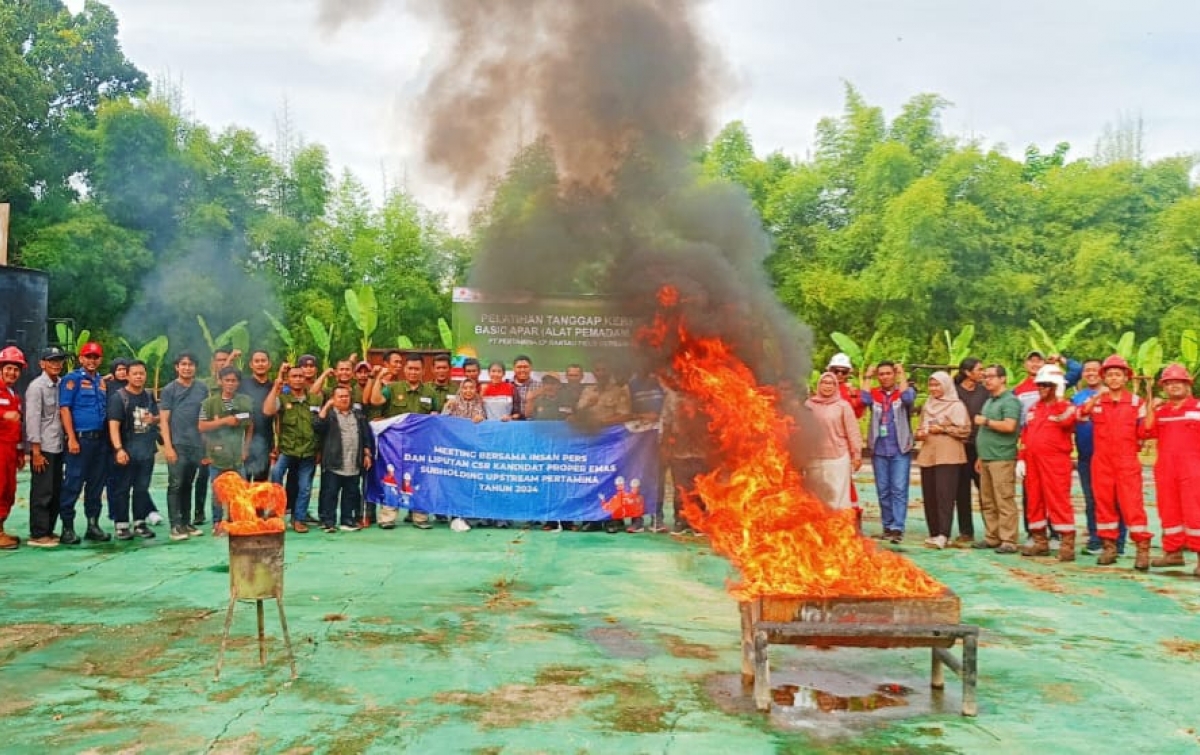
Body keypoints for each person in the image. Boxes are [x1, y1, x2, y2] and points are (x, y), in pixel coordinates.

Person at [1077, 354, 1153, 569]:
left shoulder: (1137, 403)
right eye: (1109, 375)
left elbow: (1146, 431)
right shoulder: (1098, 401)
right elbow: (1081, 414)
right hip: (1101, 461)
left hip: (1127, 461)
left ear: (1126, 377)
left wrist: (1151, 407)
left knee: (1132, 506)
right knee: (1104, 505)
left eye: (1117, 375)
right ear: (1104, 379)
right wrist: (1095, 398)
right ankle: (1108, 546)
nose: (1113, 379)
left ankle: (1142, 549)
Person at [1141, 364, 1200, 575]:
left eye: (1178, 382)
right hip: (1166, 468)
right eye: (1168, 383)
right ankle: (1173, 552)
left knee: (1196, 512)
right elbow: (1145, 431)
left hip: (1193, 468)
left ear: (1187, 384)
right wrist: (1151, 406)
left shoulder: (1198, 408)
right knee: (1169, 510)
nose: (1173, 386)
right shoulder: (1162, 412)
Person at [1017, 366, 1077, 560]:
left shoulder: (1065, 407)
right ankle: (1040, 541)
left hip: (1055, 462)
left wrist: (1059, 399)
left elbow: (1066, 422)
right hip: (1033, 462)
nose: (1040, 388)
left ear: (1056, 386)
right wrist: (1022, 459)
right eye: (1039, 385)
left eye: (1045, 385)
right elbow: (1026, 435)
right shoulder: (1035, 408)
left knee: (1058, 501)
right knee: (1034, 500)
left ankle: (1067, 543)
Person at [58, 341, 112, 545]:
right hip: (80, 441)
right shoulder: (72, 380)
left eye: (95, 357)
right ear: (81, 359)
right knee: (73, 483)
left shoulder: (101, 381)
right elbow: (65, 409)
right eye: (88, 357)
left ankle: (92, 525)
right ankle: (67, 528)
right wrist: (71, 437)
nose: (92, 360)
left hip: (100, 442)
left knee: (96, 485)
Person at [1071, 358, 1126, 556]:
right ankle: (1096, 538)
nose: (1091, 373)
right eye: (1087, 370)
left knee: (1117, 499)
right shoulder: (1078, 397)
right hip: (1087, 456)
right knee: (1091, 500)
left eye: (1095, 369)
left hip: (1113, 456)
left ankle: (1118, 542)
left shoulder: (1117, 394)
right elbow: (1076, 416)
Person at [914, 372, 971, 549]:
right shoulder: (928, 404)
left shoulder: (956, 406)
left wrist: (944, 429)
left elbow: (965, 430)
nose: (934, 389)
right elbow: (921, 426)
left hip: (949, 455)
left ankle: (944, 534)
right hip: (929, 453)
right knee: (929, 494)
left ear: (946, 386)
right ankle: (933, 532)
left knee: (944, 495)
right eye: (931, 385)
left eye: (937, 385)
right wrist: (920, 434)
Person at [860, 361, 915, 543]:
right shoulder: (875, 394)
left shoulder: (903, 391)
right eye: (881, 374)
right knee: (883, 490)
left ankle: (898, 528)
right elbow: (864, 399)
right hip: (880, 448)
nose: (885, 377)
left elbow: (908, 399)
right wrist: (867, 377)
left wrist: (902, 375)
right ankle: (887, 525)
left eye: (888, 373)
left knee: (899, 488)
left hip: (900, 447)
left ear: (894, 374)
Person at [106, 360, 160, 541]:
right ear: (127, 375)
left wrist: (153, 419)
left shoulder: (149, 396)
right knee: (122, 489)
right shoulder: (119, 397)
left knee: (141, 488)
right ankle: (121, 525)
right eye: (135, 373)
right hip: (126, 451)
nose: (138, 377)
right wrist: (119, 449)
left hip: (146, 451)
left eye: (142, 373)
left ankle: (139, 522)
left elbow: (158, 417)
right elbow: (113, 425)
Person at [198, 366, 254, 535]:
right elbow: (201, 426)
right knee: (218, 492)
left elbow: (250, 425)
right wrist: (223, 422)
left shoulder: (245, 401)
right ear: (220, 381)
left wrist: (246, 448)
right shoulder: (208, 403)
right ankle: (217, 522)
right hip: (216, 455)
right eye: (227, 380)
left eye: (234, 380)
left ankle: (237, 521)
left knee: (240, 491)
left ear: (238, 383)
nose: (230, 384)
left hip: (237, 455)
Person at [972, 365, 1022, 554]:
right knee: (987, 500)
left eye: (991, 377)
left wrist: (986, 421)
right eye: (985, 377)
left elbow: (1010, 426)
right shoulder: (989, 401)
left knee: (1004, 499)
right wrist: (979, 456)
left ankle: (1009, 539)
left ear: (1003, 379)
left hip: (1002, 457)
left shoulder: (1010, 401)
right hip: (986, 457)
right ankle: (992, 536)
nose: (987, 380)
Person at [159, 352, 209, 538]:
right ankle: (175, 525)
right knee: (176, 484)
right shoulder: (169, 390)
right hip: (177, 443)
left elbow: (205, 416)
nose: (187, 367)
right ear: (177, 367)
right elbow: (164, 420)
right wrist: (168, 446)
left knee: (188, 483)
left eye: (191, 364)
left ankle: (187, 523)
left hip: (196, 444)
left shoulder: (202, 388)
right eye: (183, 364)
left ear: (195, 367)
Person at [264, 363, 320, 533]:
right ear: (288, 380)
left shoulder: (315, 400)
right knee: (276, 477)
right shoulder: (283, 398)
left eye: (301, 376)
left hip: (309, 451)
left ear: (306, 379)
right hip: (287, 450)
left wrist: (320, 450)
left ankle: (299, 519)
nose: (297, 379)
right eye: (294, 376)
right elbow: (267, 410)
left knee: (305, 487)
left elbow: (320, 425)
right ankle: (275, 515)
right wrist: (276, 387)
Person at [314, 385, 374, 533]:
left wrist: (367, 454)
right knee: (330, 493)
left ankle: (347, 520)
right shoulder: (329, 414)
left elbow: (366, 435)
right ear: (333, 399)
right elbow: (317, 426)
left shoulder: (358, 415)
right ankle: (328, 522)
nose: (344, 399)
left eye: (346, 396)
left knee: (351, 493)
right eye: (340, 396)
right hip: (334, 461)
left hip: (353, 461)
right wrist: (327, 406)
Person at [25, 347, 69, 547]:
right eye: (51, 361)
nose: (56, 364)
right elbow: (32, 419)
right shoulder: (37, 387)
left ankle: (49, 531)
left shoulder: (62, 384)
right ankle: (38, 533)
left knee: (55, 490)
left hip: (58, 445)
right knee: (42, 492)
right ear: (42, 363)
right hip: (43, 447)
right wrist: (35, 451)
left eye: (59, 361)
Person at [803, 372, 863, 510]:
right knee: (816, 497)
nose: (827, 386)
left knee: (838, 497)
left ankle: (839, 526)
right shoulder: (809, 405)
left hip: (838, 457)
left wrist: (857, 454)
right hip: (814, 458)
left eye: (831, 383)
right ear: (819, 385)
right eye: (825, 383)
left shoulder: (843, 406)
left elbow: (853, 431)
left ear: (836, 386)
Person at [662, 387, 710, 536]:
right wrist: (665, 444)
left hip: (701, 449)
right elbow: (666, 422)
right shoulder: (671, 396)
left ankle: (699, 521)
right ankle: (680, 520)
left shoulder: (704, 391)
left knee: (700, 486)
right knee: (681, 487)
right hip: (679, 449)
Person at [952, 358, 988, 545]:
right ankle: (966, 531)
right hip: (959, 445)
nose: (982, 373)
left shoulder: (985, 391)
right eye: (979, 369)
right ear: (967, 372)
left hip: (980, 446)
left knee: (985, 490)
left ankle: (991, 531)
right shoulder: (954, 392)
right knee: (961, 490)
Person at [625, 370, 665, 533]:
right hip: (638, 437)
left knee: (657, 477)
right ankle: (636, 519)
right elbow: (626, 412)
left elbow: (670, 407)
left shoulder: (662, 382)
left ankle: (657, 518)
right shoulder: (632, 384)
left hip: (659, 436)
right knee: (636, 477)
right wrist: (643, 415)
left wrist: (659, 417)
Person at [0, 346, 28, 549]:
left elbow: (18, 428)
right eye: (9, 368)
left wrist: (19, 453)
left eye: (16, 369)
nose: (12, 373)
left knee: (9, 490)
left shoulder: (14, 396)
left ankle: (0, 530)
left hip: (10, 451)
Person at [241, 350, 276, 483]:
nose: (260, 364)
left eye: (263, 361)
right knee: (241, 488)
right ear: (251, 364)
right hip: (243, 443)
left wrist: (275, 445)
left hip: (265, 442)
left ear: (269, 364)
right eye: (257, 361)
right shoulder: (242, 385)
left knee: (259, 487)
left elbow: (278, 418)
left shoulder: (274, 387)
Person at [510, 354, 539, 420]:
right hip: (511, 424)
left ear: (531, 368)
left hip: (532, 424)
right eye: (519, 367)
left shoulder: (539, 386)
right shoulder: (506, 385)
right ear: (514, 368)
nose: (522, 370)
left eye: (525, 367)